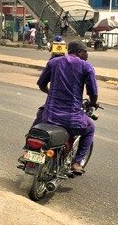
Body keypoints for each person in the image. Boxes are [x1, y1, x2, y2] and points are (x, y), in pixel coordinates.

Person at [31, 40, 98, 175]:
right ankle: (77, 162)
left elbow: (41, 84)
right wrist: (92, 103)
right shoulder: (86, 67)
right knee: (90, 129)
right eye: (86, 52)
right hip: (71, 118)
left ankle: (30, 153)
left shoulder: (54, 62)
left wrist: (50, 92)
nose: (87, 55)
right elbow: (93, 93)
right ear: (79, 52)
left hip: (49, 115)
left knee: (37, 122)